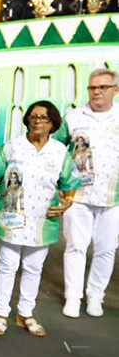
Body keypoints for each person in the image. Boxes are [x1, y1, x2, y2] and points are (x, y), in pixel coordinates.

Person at [0, 101, 82, 337]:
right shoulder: (13, 147)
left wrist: (67, 203)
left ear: (53, 123)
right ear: (27, 120)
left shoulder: (59, 153)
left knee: (33, 268)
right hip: (11, 219)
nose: (37, 121)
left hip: (43, 223)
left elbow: (69, 185)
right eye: (33, 117)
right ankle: (1, 314)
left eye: (43, 118)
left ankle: (25, 314)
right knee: (7, 266)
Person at [55, 67, 119, 318]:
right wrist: (61, 183)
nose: (97, 92)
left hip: (114, 197)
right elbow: (56, 148)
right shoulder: (73, 117)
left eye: (103, 87)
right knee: (75, 247)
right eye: (92, 87)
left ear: (115, 90)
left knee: (105, 249)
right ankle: (73, 297)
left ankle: (95, 296)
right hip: (77, 196)